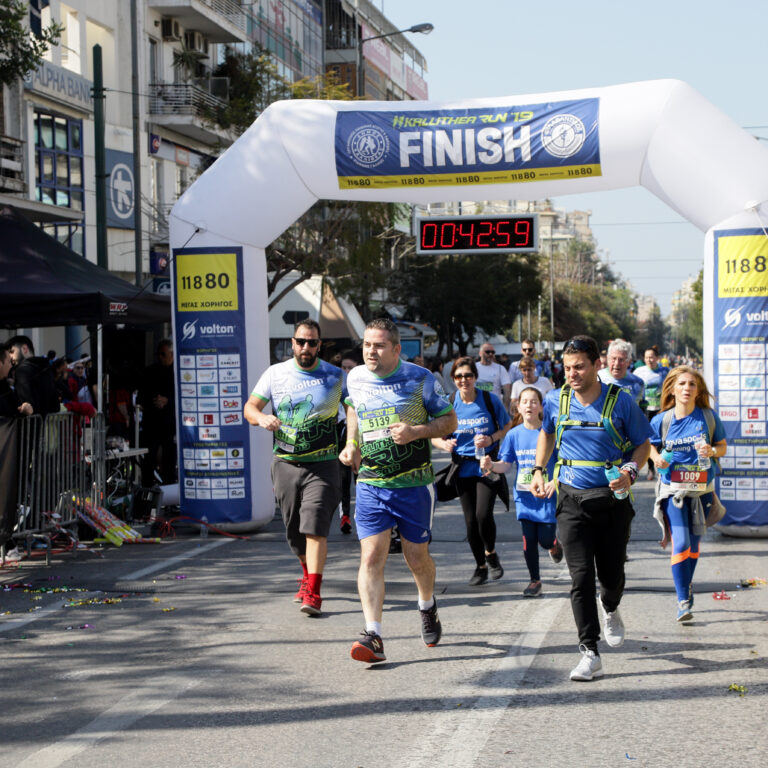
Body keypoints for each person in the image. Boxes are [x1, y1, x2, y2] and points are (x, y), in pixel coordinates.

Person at [532, 335, 651, 682]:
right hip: (571, 501)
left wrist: (630, 472)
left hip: (612, 502)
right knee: (580, 577)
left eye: (579, 367)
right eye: (568, 368)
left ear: (597, 365)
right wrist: (538, 469)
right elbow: (547, 433)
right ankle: (590, 651)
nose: (572, 374)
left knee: (611, 578)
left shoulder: (621, 401)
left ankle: (610, 606)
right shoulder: (555, 400)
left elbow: (643, 444)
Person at [340, 318, 456, 663]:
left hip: (414, 484)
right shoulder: (355, 377)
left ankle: (427, 605)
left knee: (416, 558)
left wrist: (415, 431)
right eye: (366, 345)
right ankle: (373, 634)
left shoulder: (420, 379)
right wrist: (351, 444)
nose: (371, 352)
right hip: (371, 483)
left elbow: (449, 421)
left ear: (395, 349)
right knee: (371, 557)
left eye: (378, 346)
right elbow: (352, 409)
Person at [245, 320, 346, 616]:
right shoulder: (275, 373)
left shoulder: (335, 376)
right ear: (292, 342)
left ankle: (313, 591)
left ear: (319, 345)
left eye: (312, 343)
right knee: (294, 532)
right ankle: (305, 571)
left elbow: (355, 409)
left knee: (315, 527)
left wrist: (353, 443)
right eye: (301, 341)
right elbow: (250, 407)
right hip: (286, 463)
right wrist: (262, 418)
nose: (306, 347)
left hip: (323, 464)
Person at [649, 366, 726, 623]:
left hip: (702, 490)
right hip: (674, 490)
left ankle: (686, 588)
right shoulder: (662, 420)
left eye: (692, 384)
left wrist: (711, 451)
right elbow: (648, 446)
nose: (687, 388)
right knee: (681, 543)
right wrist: (656, 458)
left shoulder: (708, 417)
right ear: (672, 389)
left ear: (698, 390)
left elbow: (722, 447)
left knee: (693, 545)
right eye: (682, 384)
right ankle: (683, 601)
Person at [432, 356, 510, 586]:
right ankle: (480, 566)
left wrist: (491, 439)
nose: (463, 380)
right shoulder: (449, 403)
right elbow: (434, 434)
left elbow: (506, 425)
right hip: (462, 468)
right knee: (470, 522)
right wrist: (443, 444)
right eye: (459, 376)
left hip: (487, 466)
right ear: (453, 379)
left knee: (483, 515)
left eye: (468, 375)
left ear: (475, 377)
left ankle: (491, 553)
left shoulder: (489, 399)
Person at [481, 387, 562, 597]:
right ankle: (535, 581)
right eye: (525, 401)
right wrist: (491, 465)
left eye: (534, 401)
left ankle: (553, 545)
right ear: (518, 407)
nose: (529, 405)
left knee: (545, 539)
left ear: (541, 407)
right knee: (529, 540)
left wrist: (554, 481)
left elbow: (563, 462)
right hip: (524, 497)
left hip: (547, 495)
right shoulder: (513, 435)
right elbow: (506, 465)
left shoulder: (550, 433)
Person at [136, 339, 176, 484]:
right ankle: (147, 489)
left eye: (163, 354)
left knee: (169, 459)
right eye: (158, 354)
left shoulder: (178, 372)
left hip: (170, 424)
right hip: (152, 423)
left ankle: (170, 489)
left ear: (172, 354)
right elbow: (140, 398)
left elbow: (184, 396)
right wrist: (155, 402)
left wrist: (167, 401)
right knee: (149, 460)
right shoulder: (149, 371)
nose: (160, 357)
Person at [634, 345, 669, 480]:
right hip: (645, 410)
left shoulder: (664, 372)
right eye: (647, 357)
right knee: (648, 440)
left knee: (661, 439)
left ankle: (662, 464)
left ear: (657, 358)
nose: (649, 360)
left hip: (661, 410)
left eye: (652, 357)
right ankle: (650, 469)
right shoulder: (639, 372)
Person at [5, 336, 59, 416]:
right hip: (47, 421)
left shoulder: (22, 370)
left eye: (12, 351)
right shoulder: (45, 367)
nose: (10, 357)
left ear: (24, 349)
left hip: (30, 421)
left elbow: (26, 403)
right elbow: (55, 405)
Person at [337, 351, 359, 535]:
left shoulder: (364, 386)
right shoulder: (337, 387)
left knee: (360, 479)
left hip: (362, 438)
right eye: (343, 367)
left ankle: (363, 516)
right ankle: (345, 516)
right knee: (343, 480)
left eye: (350, 368)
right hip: (342, 437)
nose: (346, 371)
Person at [598, 339, 645, 406]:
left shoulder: (638, 382)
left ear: (629, 362)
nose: (617, 363)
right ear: (608, 358)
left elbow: (641, 407)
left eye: (621, 360)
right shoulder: (596, 378)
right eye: (614, 358)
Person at [476, 343, 512, 413]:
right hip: (477, 408)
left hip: (495, 408)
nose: (490, 354)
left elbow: (507, 390)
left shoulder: (500, 368)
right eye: (487, 352)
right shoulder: (473, 367)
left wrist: (505, 408)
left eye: (493, 352)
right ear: (480, 353)